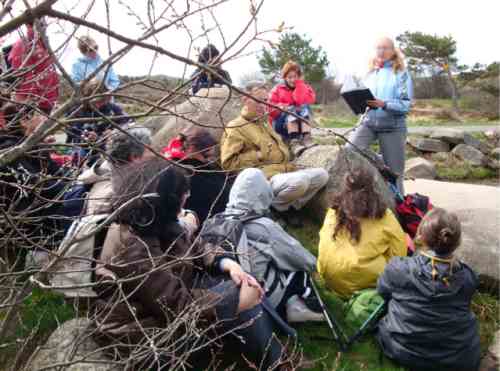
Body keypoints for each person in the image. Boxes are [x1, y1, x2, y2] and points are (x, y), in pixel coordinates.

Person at [93, 158, 294, 370]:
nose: (188, 195)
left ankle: (275, 357)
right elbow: (176, 307)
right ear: (165, 200)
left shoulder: (151, 221)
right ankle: (277, 361)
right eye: (183, 192)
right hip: (142, 339)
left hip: (157, 314)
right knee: (237, 295)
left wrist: (227, 263)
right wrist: (235, 303)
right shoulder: (131, 247)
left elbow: (196, 248)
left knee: (237, 283)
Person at [376, 208, 480, 371]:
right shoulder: (468, 277)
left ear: (420, 236)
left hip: (402, 350)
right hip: (458, 358)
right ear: (457, 242)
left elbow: (382, 291)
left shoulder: (398, 268)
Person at [220, 167, 323, 323]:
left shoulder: (217, 220)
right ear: (262, 194)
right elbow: (300, 257)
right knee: (297, 268)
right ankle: (295, 306)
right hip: (261, 299)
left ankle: (293, 304)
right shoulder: (264, 227)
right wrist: (318, 266)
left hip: (228, 293)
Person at [220, 82, 329, 226]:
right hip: (265, 178)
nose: (263, 104)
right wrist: (257, 156)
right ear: (245, 99)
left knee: (322, 175)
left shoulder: (265, 123)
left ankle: (289, 208)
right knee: (300, 182)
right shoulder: (235, 127)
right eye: (258, 100)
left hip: (285, 173)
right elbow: (228, 164)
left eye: (265, 100)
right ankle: (273, 209)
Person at [317, 168, 406, 299]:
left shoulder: (334, 209)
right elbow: (399, 254)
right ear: (373, 189)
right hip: (364, 285)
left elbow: (324, 237)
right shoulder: (384, 216)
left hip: (328, 276)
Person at [346, 37, 413, 194]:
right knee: (350, 150)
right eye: (378, 48)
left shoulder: (402, 74)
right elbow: (366, 97)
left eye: (385, 48)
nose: (381, 51)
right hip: (368, 122)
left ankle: (400, 211)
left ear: (393, 51)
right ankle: (381, 160)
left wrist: (384, 104)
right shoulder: (369, 73)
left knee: (395, 174)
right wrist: (356, 102)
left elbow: (405, 105)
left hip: (393, 126)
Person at [162, 126, 232, 226]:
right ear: (192, 148)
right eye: (206, 155)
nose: (208, 159)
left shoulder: (178, 165)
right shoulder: (188, 175)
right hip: (211, 224)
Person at [65, 79, 130, 166]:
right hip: (82, 147)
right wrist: (86, 136)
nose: (100, 104)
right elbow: (72, 132)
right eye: (97, 101)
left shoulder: (112, 109)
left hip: (106, 147)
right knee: (79, 157)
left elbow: (128, 123)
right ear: (88, 97)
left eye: (103, 101)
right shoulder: (77, 110)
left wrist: (115, 132)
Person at [8, 20, 59, 114]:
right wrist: (33, 105)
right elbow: (24, 80)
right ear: (28, 25)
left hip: (48, 101)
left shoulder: (42, 43)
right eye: (41, 23)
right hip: (35, 105)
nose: (45, 26)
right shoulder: (22, 45)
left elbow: (50, 70)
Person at [268, 61, 316, 154]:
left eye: (295, 77)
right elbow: (269, 110)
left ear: (299, 77)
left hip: (300, 123)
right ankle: (294, 142)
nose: (293, 80)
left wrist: (300, 86)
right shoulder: (277, 89)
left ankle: (306, 138)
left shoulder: (304, 87)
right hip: (281, 124)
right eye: (290, 77)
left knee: (303, 105)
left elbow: (303, 101)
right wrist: (281, 107)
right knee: (292, 109)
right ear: (285, 77)